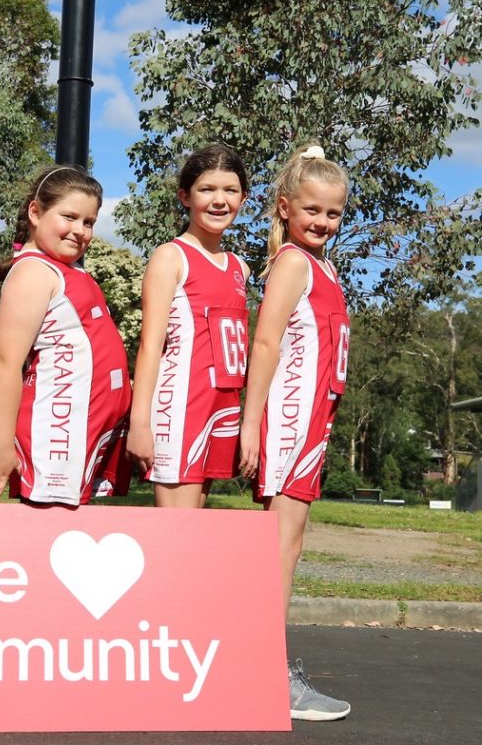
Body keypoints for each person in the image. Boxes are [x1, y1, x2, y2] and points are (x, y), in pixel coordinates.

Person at [240, 145, 352, 721]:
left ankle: (265, 662)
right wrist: (253, 423)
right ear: (285, 207)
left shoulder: (323, 265)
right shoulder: (292, 263)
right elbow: (267, 342)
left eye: (333, 214)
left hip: (315, 419)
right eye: (312, 210)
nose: (322, 223)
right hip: (288, 417)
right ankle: (266, 671)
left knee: (291, 541)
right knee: (280, 544)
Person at [0, 165, 132, 506]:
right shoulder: (33, 271)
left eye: (89, 222)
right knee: (49, 536)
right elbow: (6, 364)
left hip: (85, 429)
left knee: (69, 537)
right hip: (58, 429)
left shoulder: (70, 269)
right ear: (36, 212)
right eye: (70, 217)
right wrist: (1, 445)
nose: (80, 231)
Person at [127, 144, 254, 506]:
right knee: (176, 534)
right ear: (185, 196)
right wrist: (140, 423)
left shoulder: (238, 268)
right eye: (206, 189)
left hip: (222, 408)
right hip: (179, 410)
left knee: (196, 530)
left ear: (243, 198)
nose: (219, 201)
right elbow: (151, 346)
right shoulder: (171, 257)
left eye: (230, 190)